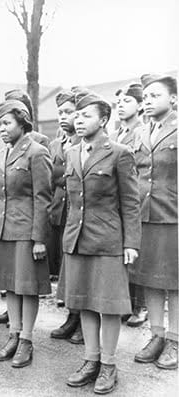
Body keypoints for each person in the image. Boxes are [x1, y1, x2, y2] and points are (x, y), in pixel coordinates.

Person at [63, 93, 141, 394]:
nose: (78, 120)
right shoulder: (72, 152)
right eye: (77, 115)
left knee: (108, 306)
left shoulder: (119, 153)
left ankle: (109, 366)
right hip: (77, 238)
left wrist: (131, 242)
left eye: (86, 115)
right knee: (83, 301)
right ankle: (90, 360)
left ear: (104, 120)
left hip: (109, 239)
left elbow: (131, 202)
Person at [0, 99, 52, 367]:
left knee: (27, 287)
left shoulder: (37, 152)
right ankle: (13, 334)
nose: (1, 128)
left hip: (26, 230)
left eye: (6, 123)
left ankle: (26, 340)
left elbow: (43, 199)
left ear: (22, 123)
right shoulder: (2, 152)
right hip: (3, 228)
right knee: (10, 285)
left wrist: (39, 239)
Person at [131, 74, 178, 370]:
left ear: (173, 99)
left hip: (173, 215)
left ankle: (175, 339)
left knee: (175, 281)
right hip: (144, 215)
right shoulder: (140, 132)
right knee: (148, 277)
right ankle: (157, 335)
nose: (148, 101)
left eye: (155, 96)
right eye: (145, 97)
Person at [111, 82, 148, 328]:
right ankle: (127, 301)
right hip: (118, 200)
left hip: (140, 198)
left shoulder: (143, 132)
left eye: (127, 101)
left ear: (141, 105)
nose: (121, 106)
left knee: (139, 252)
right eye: (119, 102)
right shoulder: (115, 136)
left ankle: (141, 304)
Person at [48, 90, 84, 345]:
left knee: (82, 267)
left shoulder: (85, 143)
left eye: (69, 112)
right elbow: (52, 177)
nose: (64, 116)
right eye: (60, 112)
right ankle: (72, 315)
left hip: (81, 212)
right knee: (67, 266)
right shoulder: (56, 144)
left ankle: (84, 320)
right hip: (62, 211)